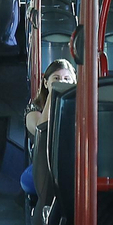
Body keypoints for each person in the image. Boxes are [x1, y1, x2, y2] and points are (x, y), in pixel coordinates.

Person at [20, 59, 76, 196]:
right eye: (56, 78)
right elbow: (41, 129)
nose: (62, 82)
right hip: (44, 165)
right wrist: (54, 94)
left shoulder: (80, 108)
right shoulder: (34, 108)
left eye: (66, 79)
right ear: (46, 83)